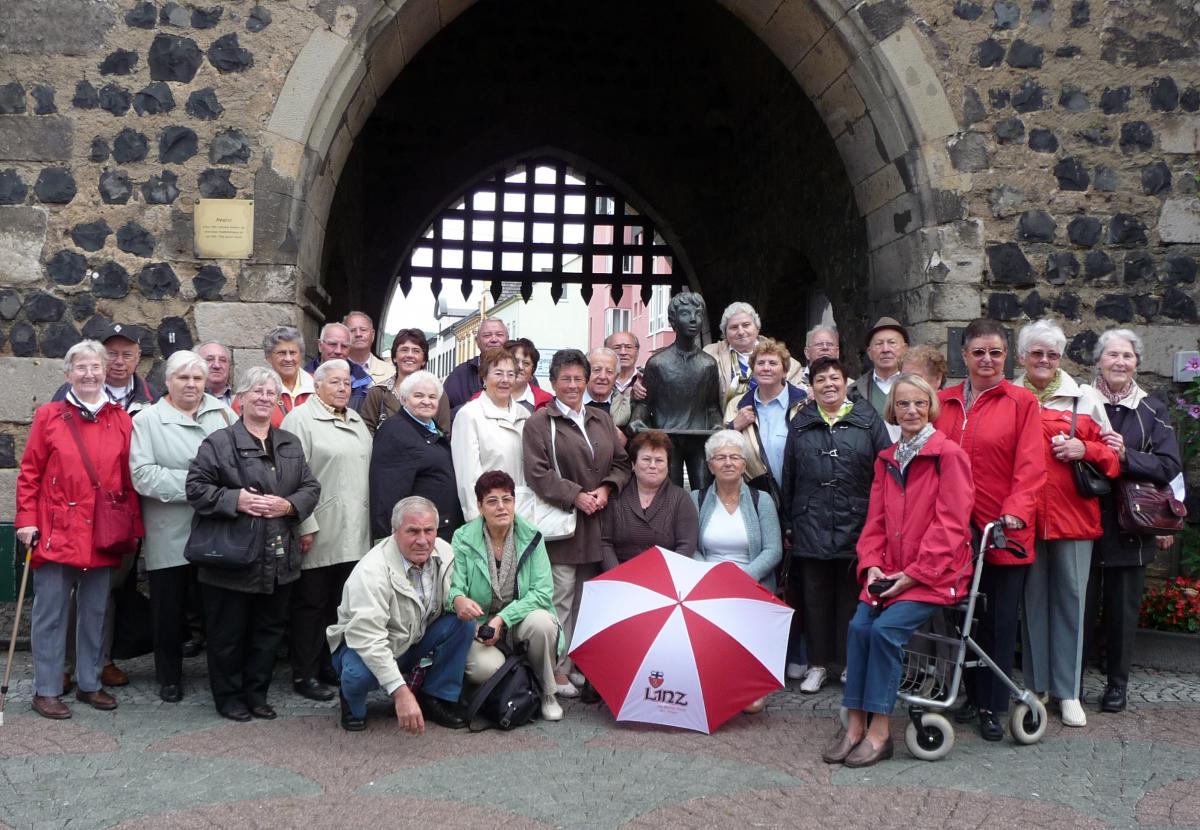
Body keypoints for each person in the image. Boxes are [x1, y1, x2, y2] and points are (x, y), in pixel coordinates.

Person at [822, 374, 974, 768]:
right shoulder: (887, 459)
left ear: (930, 408)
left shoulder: (948, 456)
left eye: (919, 404)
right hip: (888, 571)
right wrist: (871, 565)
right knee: (858, 628)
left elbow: (952, 526)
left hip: (936, 575)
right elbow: (874, 521)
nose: (911, 411)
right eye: (903, 404)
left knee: (885, 632)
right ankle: (854, 724)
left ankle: (880, 731)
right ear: (893, 410)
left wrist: (914, 574)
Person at [186, 366, 321, 722]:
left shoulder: (289, 443)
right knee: (228, 634)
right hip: (233, 557)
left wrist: (290, 506)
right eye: (256, 391)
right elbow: (195, 489)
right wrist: (236, 500)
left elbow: (310, 488)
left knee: (268, 631)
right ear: (240, 399)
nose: (264, 397)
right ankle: (229, 697)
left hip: (278, 557)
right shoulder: (218, 442)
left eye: (270, 392)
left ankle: (256, 694)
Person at [18, 340, 144, 719]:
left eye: (96, 367)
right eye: (81, 368)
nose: (89, 374)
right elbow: (29, 474)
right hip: (57, 528)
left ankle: (90, 682)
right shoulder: (49, 416)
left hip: (102, 531)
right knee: (50, 613)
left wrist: (133, 528)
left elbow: (128, 478)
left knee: (95, 611)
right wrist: (26, 521)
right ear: (68, 374)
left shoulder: (120, 418)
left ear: (106, 372)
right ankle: (47, 688)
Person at [935, 318, 1045, 741]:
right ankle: (966, 693)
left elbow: (1031, 465)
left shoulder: (1021, 402)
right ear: (963, 355)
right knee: (962, 615)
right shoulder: (943, 402)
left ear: (1006, 357)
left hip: (1001, 529)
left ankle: (993, 705)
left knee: (998, 618)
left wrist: (1015, 511)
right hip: (953, 531)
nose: (987, 360)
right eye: (978, 352)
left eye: (995, 352)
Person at [1015, 320, 1120, 728]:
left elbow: (1113, 459)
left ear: (1061, 357)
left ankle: (1068, 690)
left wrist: (1085, 447)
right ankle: (1038, 685)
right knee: (1033, 603)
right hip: (1025, 519)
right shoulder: (1011, 395)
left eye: (1052, 354)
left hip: (1073, 518)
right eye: (1036, 353)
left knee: (1072, 604)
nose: (1044, 360)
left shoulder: (1083, 396)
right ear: (1023, 357)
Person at [51, 322, 156, 689]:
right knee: (70, 590)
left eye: (127, 354)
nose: (117, 361)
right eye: (111, 353)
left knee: (109, 589)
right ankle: (63, 667)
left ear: (138, 358)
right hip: (74, 511)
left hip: (120, 512)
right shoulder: (68, 394)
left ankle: (100, 660)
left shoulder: (150, 398)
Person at [1084, 329, 1183, 714]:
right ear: (1099, 361)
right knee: (1081, 608)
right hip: (1086, 519)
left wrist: (1125, 457)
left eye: (1127, 356)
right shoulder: (1082, 400)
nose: (1120, 363)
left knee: (1123, 613)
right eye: (1112, 355)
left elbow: (1169, 465)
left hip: (1132, 523)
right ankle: (1072, 683)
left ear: (1137, 362)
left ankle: (1116, 685)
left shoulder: (1152, 409)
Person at [524, 349, 631, 698]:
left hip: (598, 523)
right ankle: (557, 669)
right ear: (553, 383)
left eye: (578, 378)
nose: (572, 384)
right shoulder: (540, 422)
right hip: (565, 525)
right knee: (561, 601)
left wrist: (604, 488)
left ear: (586, 382)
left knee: (589, 600)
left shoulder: (600, 420)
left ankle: (580, 662)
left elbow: (622, 463)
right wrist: (575, 495)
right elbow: (537, 473)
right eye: (565, 379)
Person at [130, 350, 234, 703]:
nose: (191, 384)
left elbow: (239, 460)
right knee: (168, 609)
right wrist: (200, 487)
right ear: (167, 381)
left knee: (218, 608)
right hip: (169, 530)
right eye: (183, 378)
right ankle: (169, 676)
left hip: (218, 527)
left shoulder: (223, 414)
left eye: (197, 378)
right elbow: (143, 475)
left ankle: (222, 675)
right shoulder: (147, 420)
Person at [782, 355, 890, 694]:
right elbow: (790, 475)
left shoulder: (867, 420)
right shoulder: (801, 423)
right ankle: (816, 664)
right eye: (821, 380)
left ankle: (846, 663)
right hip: (810, 521)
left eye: (835, 378)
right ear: (811, 387)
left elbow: (884, 469)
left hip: (855, 521)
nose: (829, 384)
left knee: (850, 597)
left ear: (846, 383)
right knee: (813, 597)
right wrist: (790, 519)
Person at [327, 496, 474, 732]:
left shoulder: (445, 552)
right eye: (412, 531)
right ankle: (350, 699)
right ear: (395, 532)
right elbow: (369, 640)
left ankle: (434, 697)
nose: (423, 540)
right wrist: (401, 692)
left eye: (429, 530)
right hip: (365, 646)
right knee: (357, 675)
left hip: (413, 638)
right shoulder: (370, 572)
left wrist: (457, 599)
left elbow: (450, 594)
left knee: (463, 623)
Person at [280, 360, 374, 703]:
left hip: (354, 531)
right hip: (318, 530)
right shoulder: (300, 421)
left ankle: (328, 665)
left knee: (339, 605)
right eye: (334, 382)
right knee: (310, 605)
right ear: (316, 385)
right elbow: (289, 479)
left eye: (347, 383)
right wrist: (303, 524)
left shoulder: (356, 419)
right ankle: (303, 672)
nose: (342, 388)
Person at [449, 470, 564, 721]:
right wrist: (459, 602)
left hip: (518, 619)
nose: (501, 507)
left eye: (507, 499)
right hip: (481, 625)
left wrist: (502, 619)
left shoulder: (532, 536)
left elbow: (542, 592)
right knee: (483, 668)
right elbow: (455, 588)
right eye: (492, 501)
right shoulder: (462, 539)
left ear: (514, 502)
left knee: (543, 623)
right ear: (479, 506)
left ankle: (547, 691)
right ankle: (504, 689)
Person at [691, 429, 782, 714]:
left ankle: (748, 684)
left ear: (744, 464)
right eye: (720, 458)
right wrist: (712, 578)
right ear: (710, 466)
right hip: (708, 582)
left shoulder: (761, 500)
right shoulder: (695, 498)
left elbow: (773, 550)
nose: (728, 463)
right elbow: (690, 547)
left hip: (750, 582)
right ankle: (711, 682)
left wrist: (741, 579)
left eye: (734, 457)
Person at [629, 293, 723, 488]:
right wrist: (636, 420)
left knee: (703, 494)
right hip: (666, 439)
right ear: (672, 321)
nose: (693, 319)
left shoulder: (708, 364)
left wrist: (717, 425)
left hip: (699, 440)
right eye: (685, 313)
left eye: (697, 314)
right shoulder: (657, 363)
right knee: (668, 495)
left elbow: (712, 407)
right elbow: (645, 403)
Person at [370, 371, 463, 543]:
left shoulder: (433, 429)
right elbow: (386, 491)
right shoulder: (394, 431)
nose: (426, 401)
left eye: (432, 397)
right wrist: (387, 540)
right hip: (416, 535)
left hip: (438, 529)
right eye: (418, 396)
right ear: (404, 399)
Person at [451, 347, 531, 523]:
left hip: (522, 512)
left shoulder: (524, 414)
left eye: (511, 374)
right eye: (498, 373)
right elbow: (467, 477)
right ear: (484, 378)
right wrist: (476, 520)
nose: (505, 380)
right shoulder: (469, 415)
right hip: (489, 514)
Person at [601, 430, 699, 570]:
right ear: (633, 464)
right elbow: (605, 542)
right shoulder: (616, 495)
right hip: (619, 579)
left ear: (668, 466)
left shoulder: (681, 499)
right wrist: (617, 575)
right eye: (646, 459)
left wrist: (662, 577)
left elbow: (686, 545)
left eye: (659, 460)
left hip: (664, 578)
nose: (652, 465)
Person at [724, 337, 807, 501]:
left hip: (800, 492)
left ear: (784, 371)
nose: (766, 368)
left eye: (773, 363)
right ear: (753, 369)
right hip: (756, 493)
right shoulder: (737, 405)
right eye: (760, 363)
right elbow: (722, 449)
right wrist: (734, 426)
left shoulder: (804, 404)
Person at [702, 302, 805, 408]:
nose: (741, 332)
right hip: (728, 421)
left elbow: (798, 398)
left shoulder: (779, 356)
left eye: (746, 325)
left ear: (757, 327)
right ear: (725, 332)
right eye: (734, 327)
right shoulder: (711, 355)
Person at [359, 328, 452, 436]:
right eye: (404, 350)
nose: (410, 355)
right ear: (394, 357)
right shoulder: (378, 393)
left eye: (416, 351)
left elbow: (444, 434)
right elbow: (366, 432)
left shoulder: (437, 395)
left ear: (423, 360)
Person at [233, 326, 314, 427]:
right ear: (268, 357)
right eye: (281, 353)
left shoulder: (319, 385)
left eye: (293, 353)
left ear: (300, 355)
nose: (288, 358)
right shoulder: (250, 389)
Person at [853, 317, 909, 439]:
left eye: (892, 343)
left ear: (905, 349)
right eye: (879, 344)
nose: (885, 349)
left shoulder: (920, 387)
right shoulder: (853, 391)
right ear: (869, 352)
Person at [444, 318, 510, 410]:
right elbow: (444, 414)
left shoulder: (520, 374)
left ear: (507, 339)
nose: (494, 339)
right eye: (487, 335)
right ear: (477, 341)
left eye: (499, 335)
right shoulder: (459, 374)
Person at [303, 323, 371, 409]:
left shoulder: (365, 384)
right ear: (320, 346)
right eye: (332, 344)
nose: (338, 351)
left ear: (349, 349)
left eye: (344, 346)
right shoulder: (302, 380)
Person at [344, 310, 394, 386]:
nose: (358, 334)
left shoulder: (390, 372)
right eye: (352, 330)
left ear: (373, 335)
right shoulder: (333, 369)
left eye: (363, 330)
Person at [505, 337, 553, 412]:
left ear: (532, 370)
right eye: (515, 361)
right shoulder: (486, 397)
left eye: (526, 363)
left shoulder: (547, 401)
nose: (520, 367)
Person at [197, 341, 235, 407]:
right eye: (209, 359)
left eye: (222, 360)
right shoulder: (185, 401)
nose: (217, 365)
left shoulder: (241, 402)